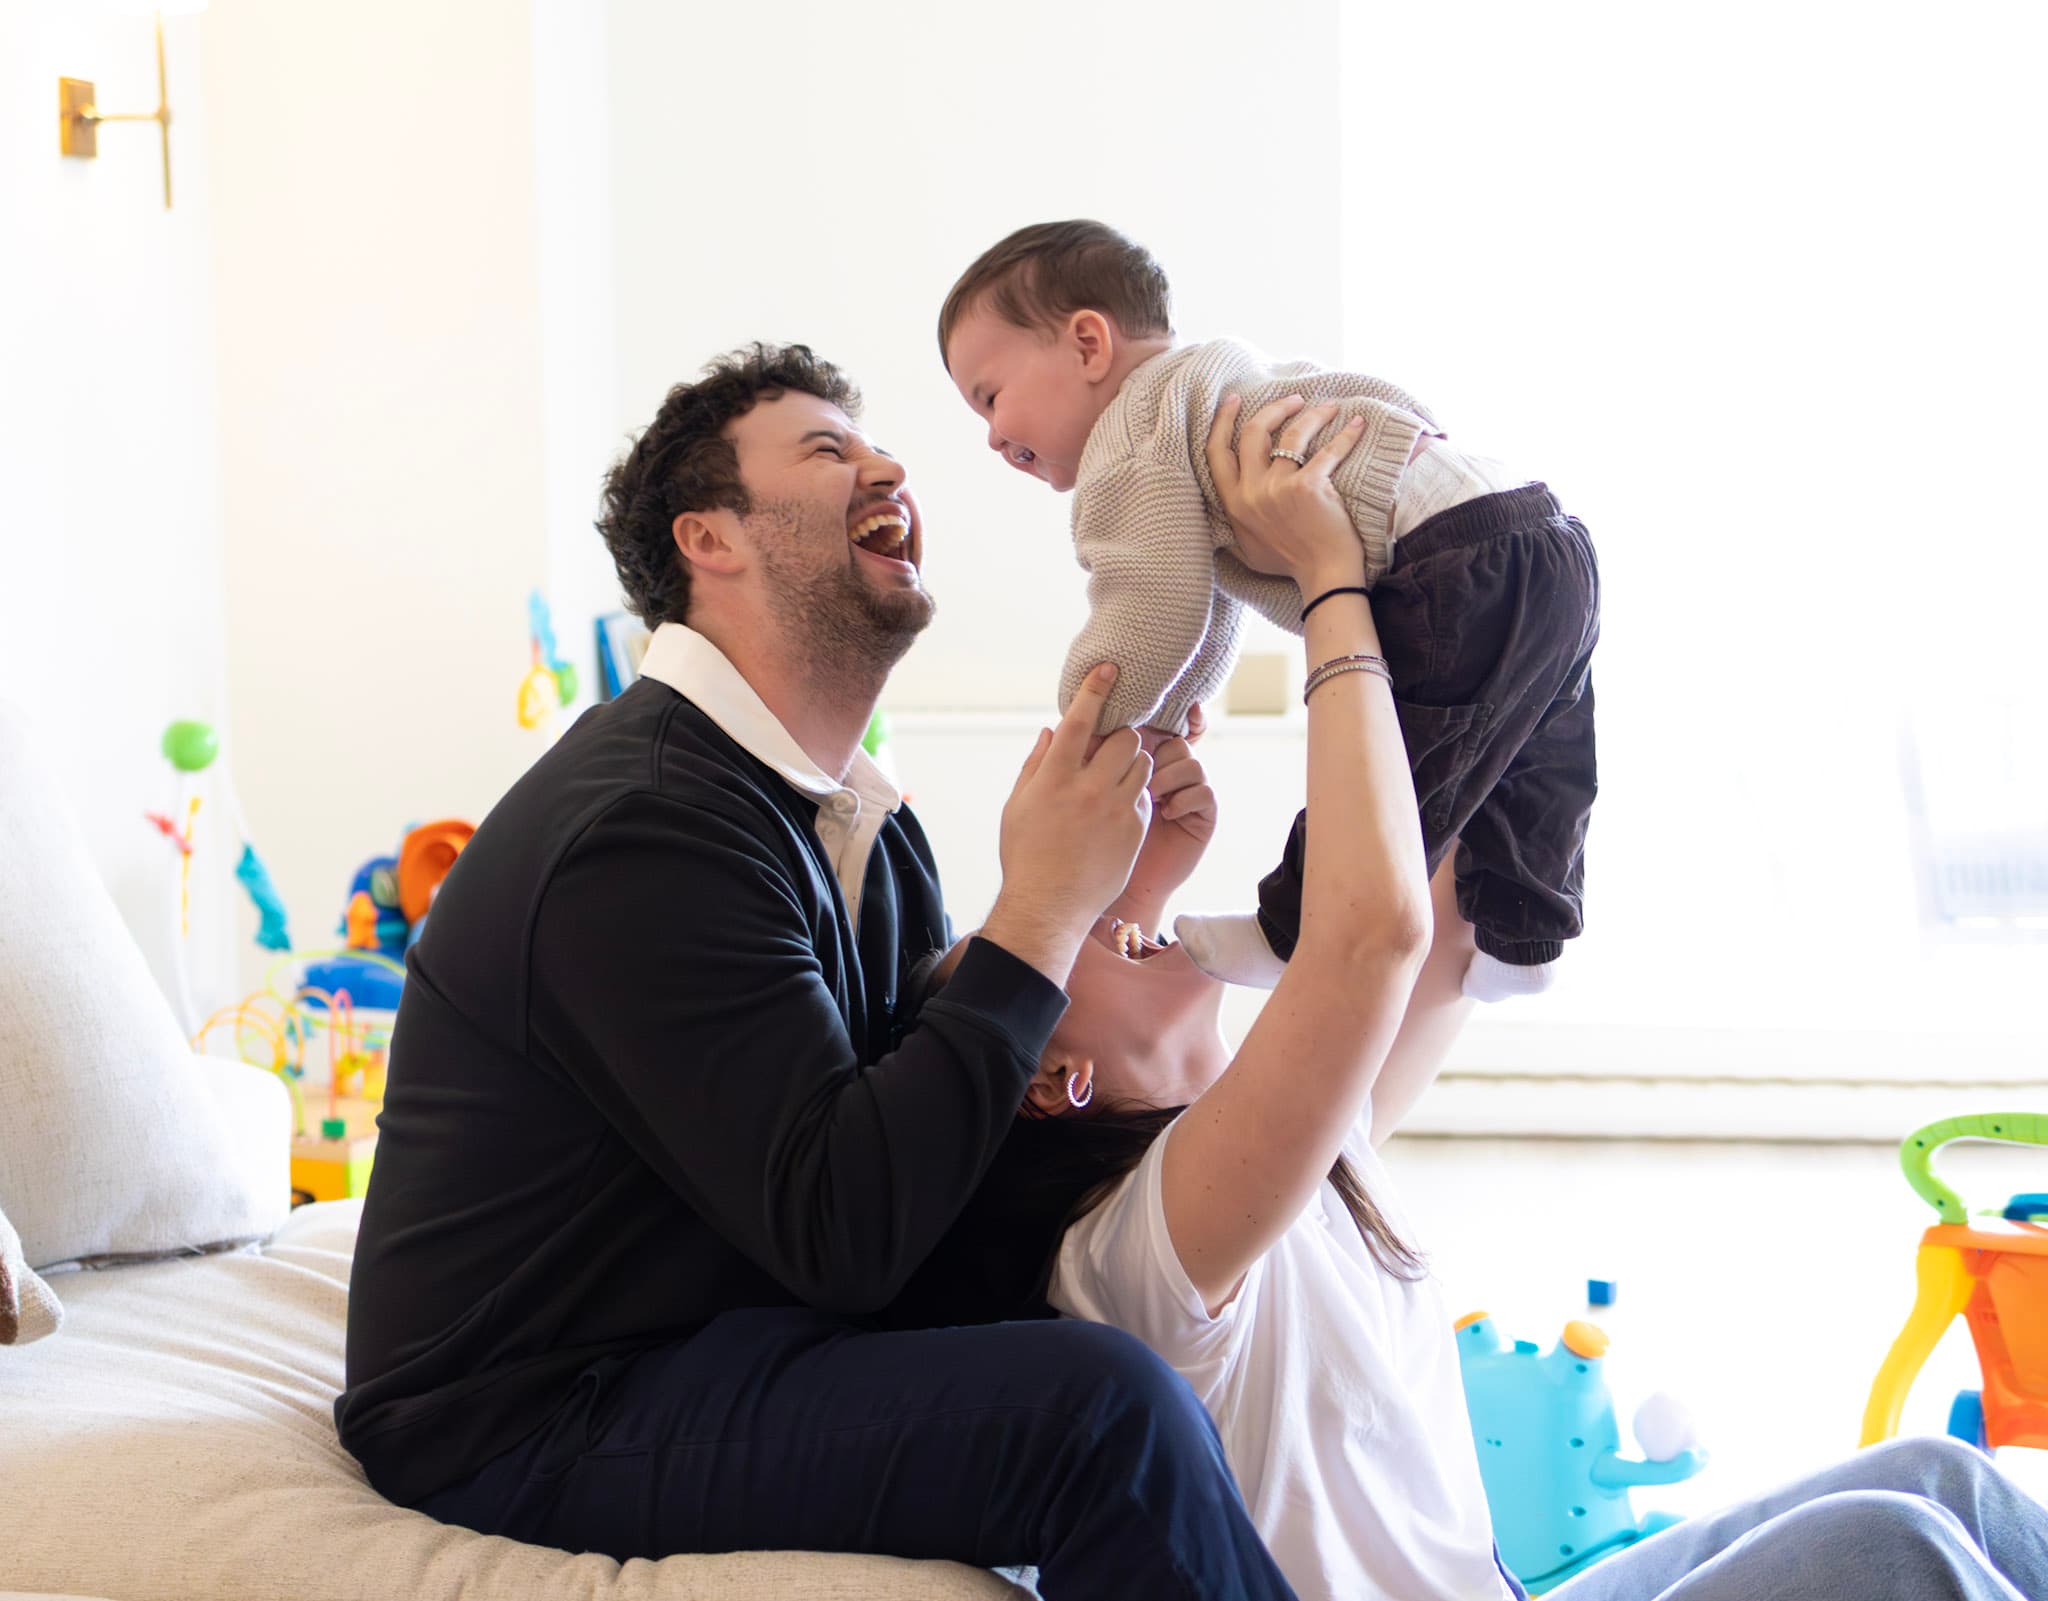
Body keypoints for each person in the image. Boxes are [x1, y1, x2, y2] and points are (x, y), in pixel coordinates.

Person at [957, 392, 2048, 1601]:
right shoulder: (1131, 1253)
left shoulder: (1314, 1154)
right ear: (1055, 1080)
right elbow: (1367, 937)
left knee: (1948, 1479)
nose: (1124, 920)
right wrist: (1328, 587)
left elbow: (1456, 892)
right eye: (1071, 940)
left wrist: (1495, 591)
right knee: (1897, 1554)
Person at [336, 343, 1302, 1599]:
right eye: (827, 449)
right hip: (535, 1407)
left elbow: (925, 1138)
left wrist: (1122, 896)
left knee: (1152, 1324)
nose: (889, 464)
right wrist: (1037, 909)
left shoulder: (862, 825)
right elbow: (846, 1228)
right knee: (1097, 1413)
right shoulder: (639, 827)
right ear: (710, 539)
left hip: (730, 1318)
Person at [939, 219, 1598, 1005]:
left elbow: (1150, 599)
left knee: (1399, 778)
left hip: (1448, 561)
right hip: (1528, 521)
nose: (990, 437)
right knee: (1541, 755)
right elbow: (1207, 604)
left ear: (1088, 345)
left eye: (990, 397)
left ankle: (1290, 927)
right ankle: (1527, 934)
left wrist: (1099, 721)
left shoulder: (1129, 438)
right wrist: (1175, 703)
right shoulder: (1223, 372)